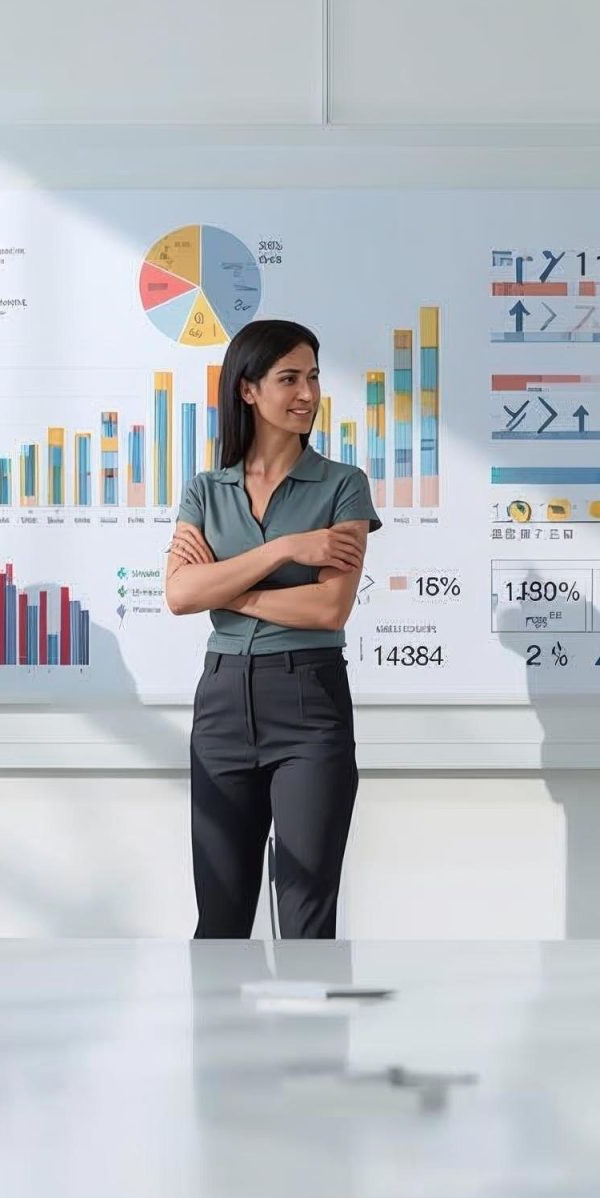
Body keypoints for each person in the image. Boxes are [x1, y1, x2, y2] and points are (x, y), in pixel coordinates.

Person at [165, 319, 379, 939]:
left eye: (313, 377)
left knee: (306, 918)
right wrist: (285, 549)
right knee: (220, 919)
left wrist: (227, 591)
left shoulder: (343, 486)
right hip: (222, 704)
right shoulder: (206, 491)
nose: (307, 393)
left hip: (308, 701)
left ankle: (309, 1013)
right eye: (289, 378)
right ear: (248, 389)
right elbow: (180, 595)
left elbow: (328, 609)